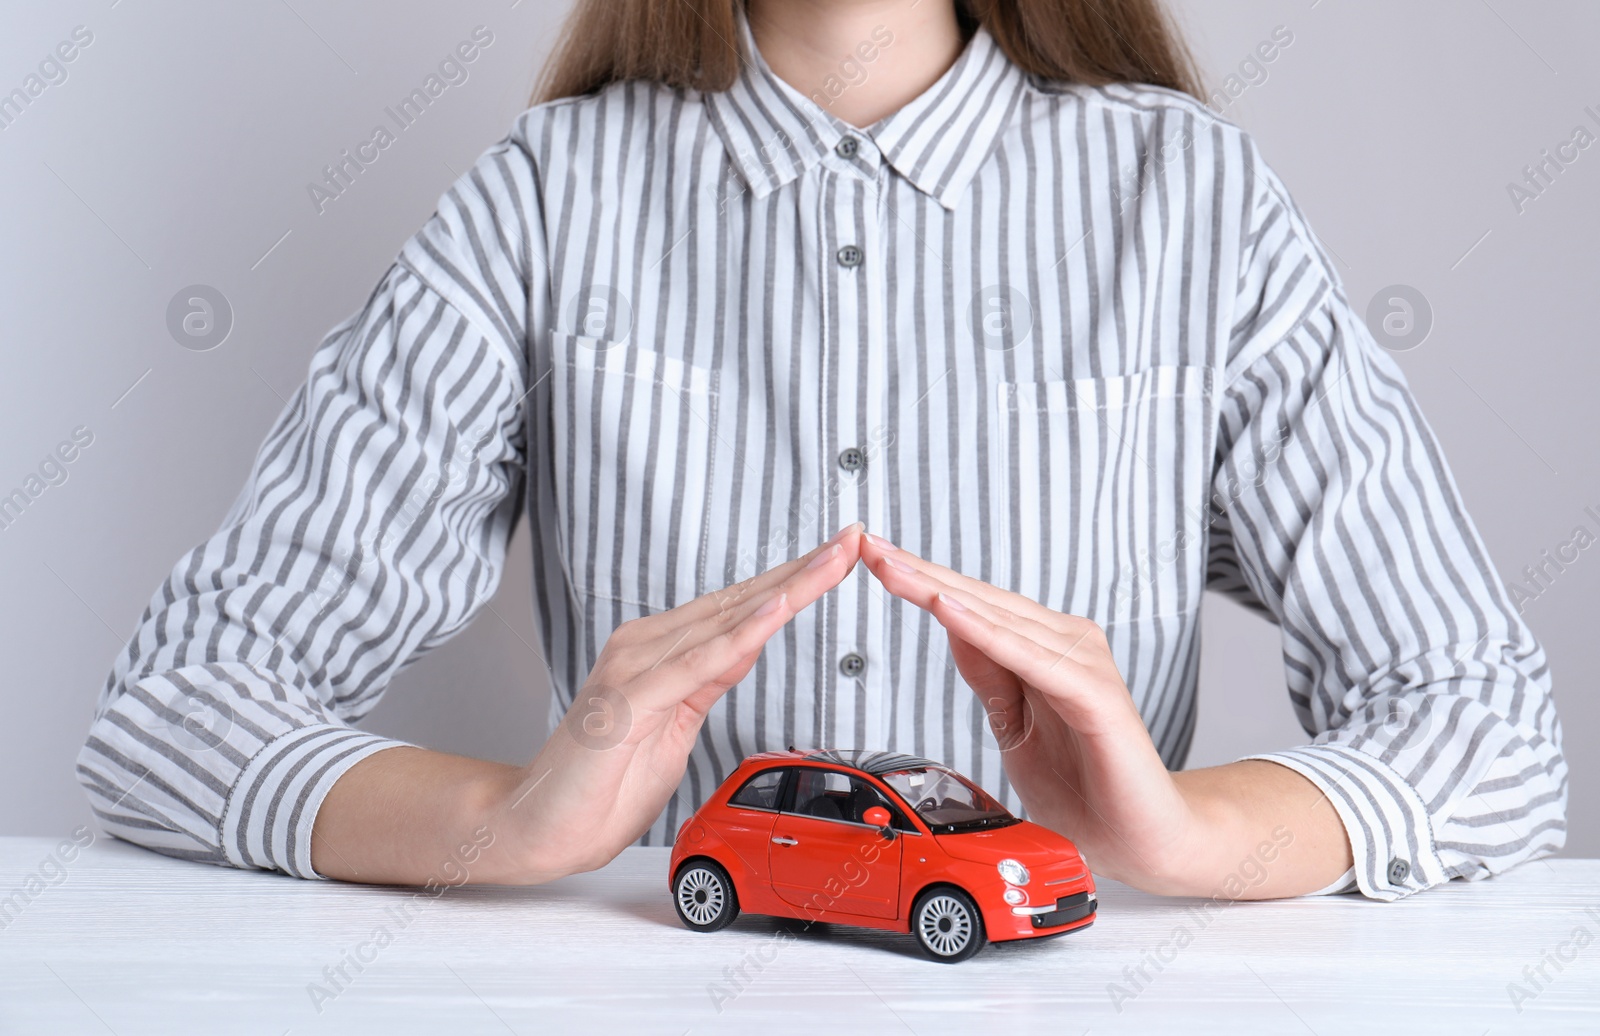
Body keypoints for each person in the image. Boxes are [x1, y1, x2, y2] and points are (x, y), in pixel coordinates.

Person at [78, 0, 1564, 902]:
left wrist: (1191, 837)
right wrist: (501, 825)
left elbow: (1482, 725)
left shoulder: (1194, 201)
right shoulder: (548, 198)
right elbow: (172, 716)